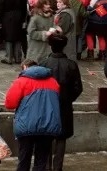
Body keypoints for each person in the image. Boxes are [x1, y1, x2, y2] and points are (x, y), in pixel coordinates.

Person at [4, 59, 61, 171]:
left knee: (24, 160)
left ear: (25, 67)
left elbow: (10, 103)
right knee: (41, 162)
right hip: (48, 126)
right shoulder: (53, 82)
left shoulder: (21, 81)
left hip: (26, 126)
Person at [40, 35, 83, 171]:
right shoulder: (71, 65)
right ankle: (58, 166)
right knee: (61, 138)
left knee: (47, 136)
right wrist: (68, 98)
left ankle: (47, 166)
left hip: (47, 106)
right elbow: (78, 88)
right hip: (64, 105)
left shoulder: (43, 63)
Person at [0, 0, 29, 65]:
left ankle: (8, 57)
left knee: (8, 37)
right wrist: (24, 18)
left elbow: (1, 6)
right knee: (18, 37)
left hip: (7, 16)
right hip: (19, 16)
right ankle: (18, 57)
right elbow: (24, 7)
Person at [26, 0, 56, 64]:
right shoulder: (35, 17)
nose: (48, 6)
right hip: (36, 49)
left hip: (47, 48)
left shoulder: (52, 16)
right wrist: (44, 34)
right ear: (41, 5)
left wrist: (55, 29)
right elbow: (31, 32)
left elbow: (54, 26)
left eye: (49, 4)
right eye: (46, 4)